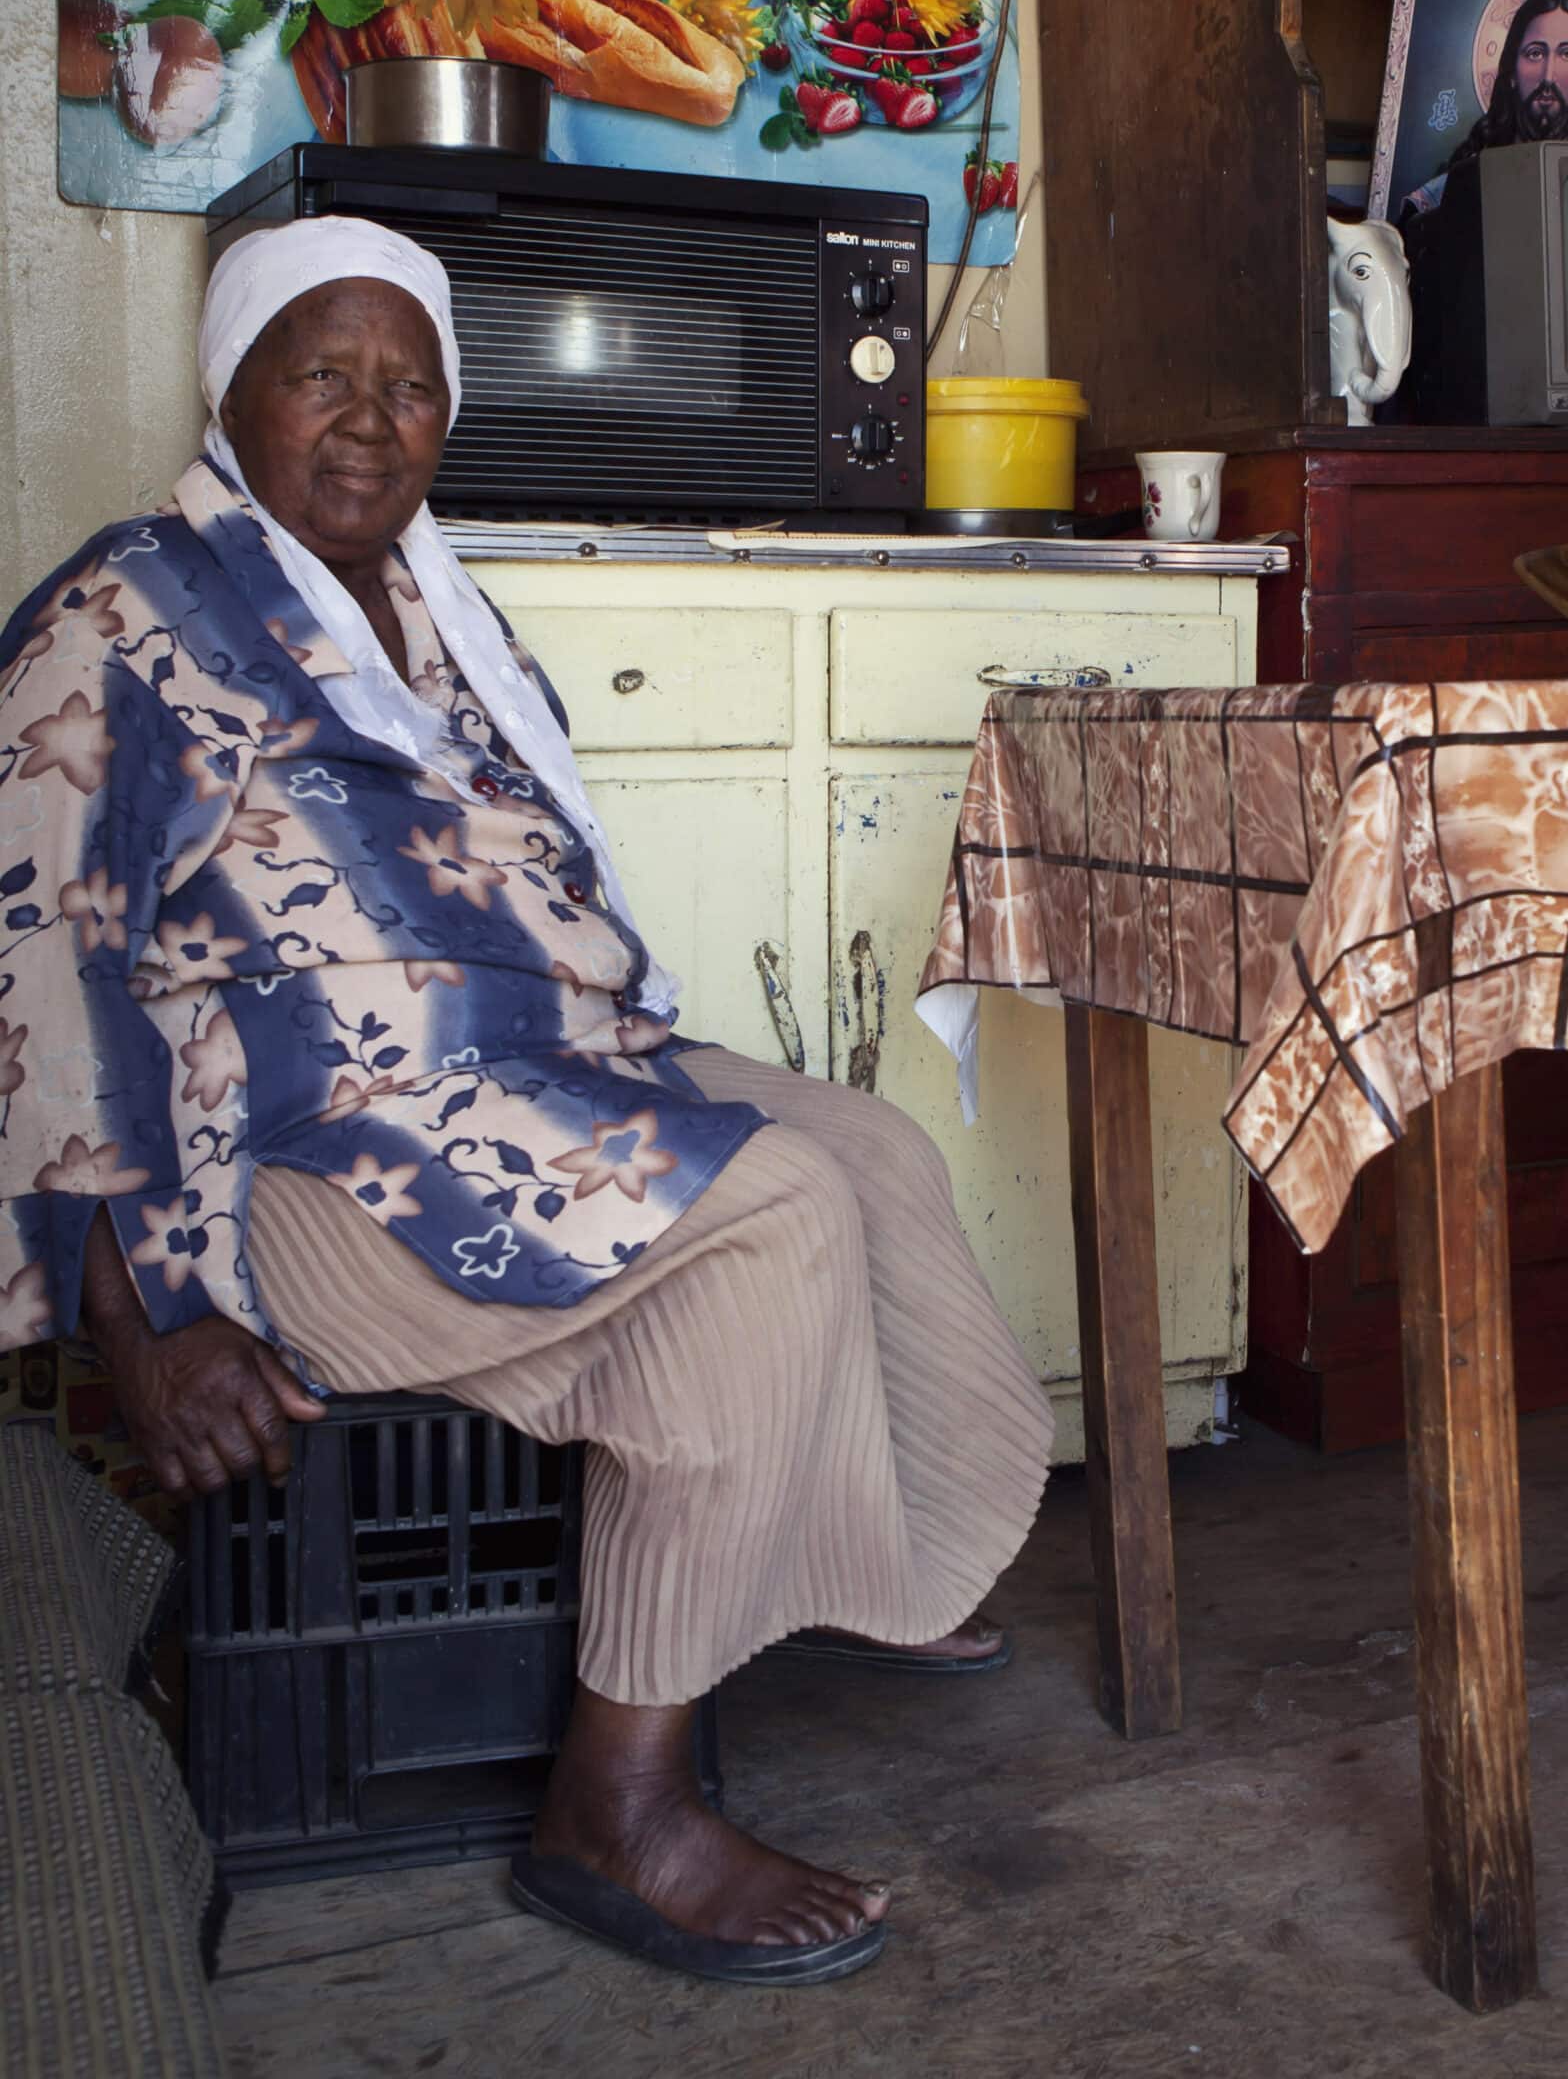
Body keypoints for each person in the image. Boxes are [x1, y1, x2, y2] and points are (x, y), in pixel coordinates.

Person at [0, 218, 1051, 1988]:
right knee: (767, 1213)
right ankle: (616, 1810)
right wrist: (141, 1321)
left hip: (519, 1079)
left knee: (864, 1146)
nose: (369, 422)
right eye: (321, 375)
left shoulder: (429, 613)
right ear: (233, 393)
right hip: (295, 1160)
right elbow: (29, 972)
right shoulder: (117, 617)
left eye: (411, 388)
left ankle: (863, 1564)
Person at [1391, 0, 1568, 420]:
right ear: (1512, 68)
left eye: (1567, 53)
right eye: (1534, 53)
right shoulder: (1456, 187)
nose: (1548, 75)